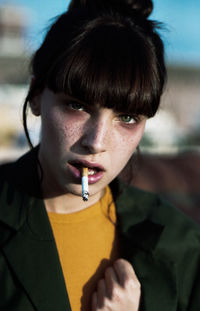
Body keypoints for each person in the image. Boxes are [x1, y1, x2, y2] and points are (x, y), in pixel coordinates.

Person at [0, 0, 199, 310]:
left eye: (128, 117)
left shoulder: (182, 243)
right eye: (77, 106)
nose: (96, 142)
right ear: (37, 95)